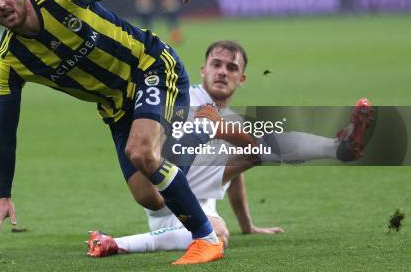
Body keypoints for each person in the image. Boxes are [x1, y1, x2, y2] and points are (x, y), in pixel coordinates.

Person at [0, 0, 225, 265]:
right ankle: (194, 143)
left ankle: (206, 239)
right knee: (150, 196)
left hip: (150, 67)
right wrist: (2, 194)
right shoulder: (9, 63)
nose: (1, 4)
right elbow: (4, 130)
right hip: (115, 107)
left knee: (141, 152)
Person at [86, 40, 372, 257]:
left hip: (202, 202)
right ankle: (118, 244)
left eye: (232, 67)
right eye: (217, 64)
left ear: (242, 78)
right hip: (167, 201)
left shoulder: (231, 119)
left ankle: (340, 148)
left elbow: (234, 172)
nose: (223, 72)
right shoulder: (184, 97)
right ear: (203, 69)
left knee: (255, 152)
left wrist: (247, 224)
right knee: (255, 148)